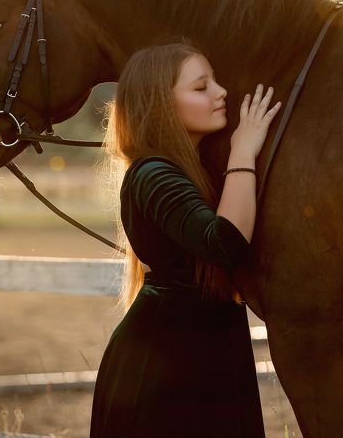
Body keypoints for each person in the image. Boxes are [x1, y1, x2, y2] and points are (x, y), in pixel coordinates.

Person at [90, 41, 281, 438]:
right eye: (201, 87)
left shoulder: (188, 171)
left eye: (215, 82)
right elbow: (224, 243)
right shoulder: (152, 174)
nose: (221, 92)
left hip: (205, 352)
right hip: (164, 367)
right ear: (161, 103)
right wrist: (243, 149)